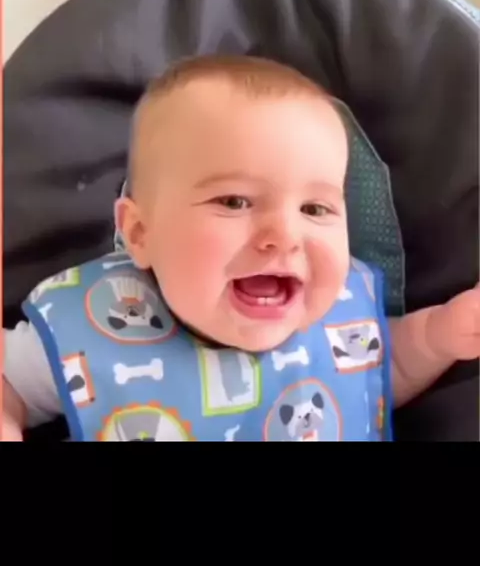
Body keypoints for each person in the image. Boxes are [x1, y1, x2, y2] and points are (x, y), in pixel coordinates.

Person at [2, 56, 479, 441]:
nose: (285, 235)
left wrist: (440, 335)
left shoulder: (342, 315)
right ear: (141, 233)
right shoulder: (88, 327)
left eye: (314, 209)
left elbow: (382, 369)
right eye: (234, 201)